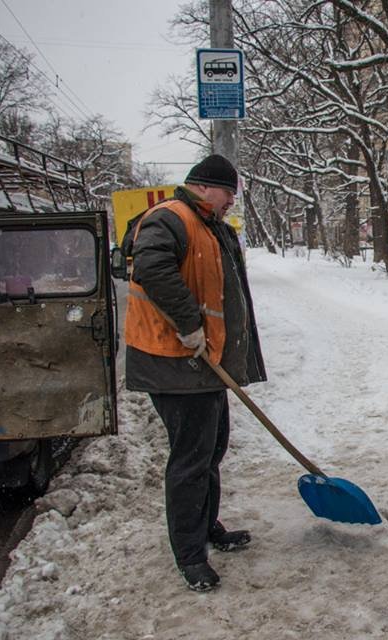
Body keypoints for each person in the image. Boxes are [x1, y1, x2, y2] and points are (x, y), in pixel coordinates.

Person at [124, 154, 266, 592]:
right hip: (174, 364)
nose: (230, 202)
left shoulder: (206, 223)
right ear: (206, 186)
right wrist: (189, 324)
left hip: (203, 365)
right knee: (190, 461)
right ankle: (189, 555)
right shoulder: (170, 218)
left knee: (211, 449)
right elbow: (151, 268)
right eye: (228, 193)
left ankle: (207, 527)